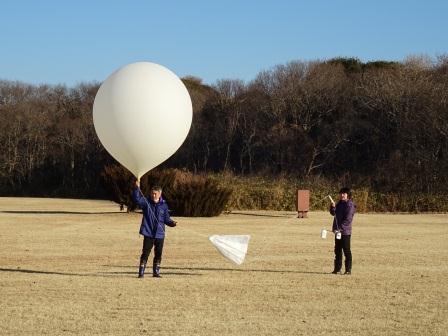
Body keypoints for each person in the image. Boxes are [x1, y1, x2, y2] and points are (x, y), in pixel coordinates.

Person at [133, 180, 177, 278]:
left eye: (155, 194)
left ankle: (156, 272)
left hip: (160, 234)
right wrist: (136, 188)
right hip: (148, 233)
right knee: (145, 253)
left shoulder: (164, 205)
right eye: (152, 193)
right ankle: (141, 272)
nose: (153, 195)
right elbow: (136, 199)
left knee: (158, 253)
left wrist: (172, 223)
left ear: (160, 194)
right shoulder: (146, 202)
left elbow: (166, 219)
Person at [329, 187, 356, 275]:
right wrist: (332, 207)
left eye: (344, 193)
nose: (342, 195)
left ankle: (348, 270)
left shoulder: (350, 205)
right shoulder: (339, 203)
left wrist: (340, 228)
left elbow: (348, 219)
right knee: (337, 250)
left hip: (345, 232)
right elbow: (334, 213)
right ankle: (337, 269)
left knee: (346, 250)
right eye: (341, 193)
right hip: (338, 232)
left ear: (348, 195)